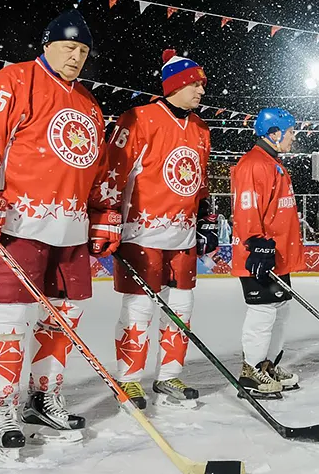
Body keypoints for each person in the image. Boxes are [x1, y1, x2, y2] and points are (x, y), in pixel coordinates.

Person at [0, 9, 120, 452]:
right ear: (47, 44)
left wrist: (104, 210)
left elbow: (98, 167)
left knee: (63, 320)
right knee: (5, 320)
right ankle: (0, 403)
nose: (76, 57)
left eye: (83, 50)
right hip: (18, 223)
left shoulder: (89, 103)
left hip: (71, 228)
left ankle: (44, 397)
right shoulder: (11, 81)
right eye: (69, 47)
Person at [105, 49, 212, 409]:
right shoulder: (139, 118)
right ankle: (129, 380)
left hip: (182, 236)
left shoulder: (200, 128)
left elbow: (199, 180)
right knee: (139, 308)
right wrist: (106, 215)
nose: (201, 91)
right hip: (142, 233)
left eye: (202, 85)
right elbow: (113, 171)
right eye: (195, 84)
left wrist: (207, 215)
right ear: (176, 84)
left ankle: (169, 375)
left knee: (182, 305)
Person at [230, 108, 303, 398]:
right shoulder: (253, 164)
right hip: (259, 255)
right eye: (290, 131)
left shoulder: (274, 163)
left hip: (278, 254)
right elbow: (247, 208)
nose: (293, 136)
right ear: (274, 134)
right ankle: (251, 370)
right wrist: (257, 244)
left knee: (281, 310)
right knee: (262, 312)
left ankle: (268, 365)